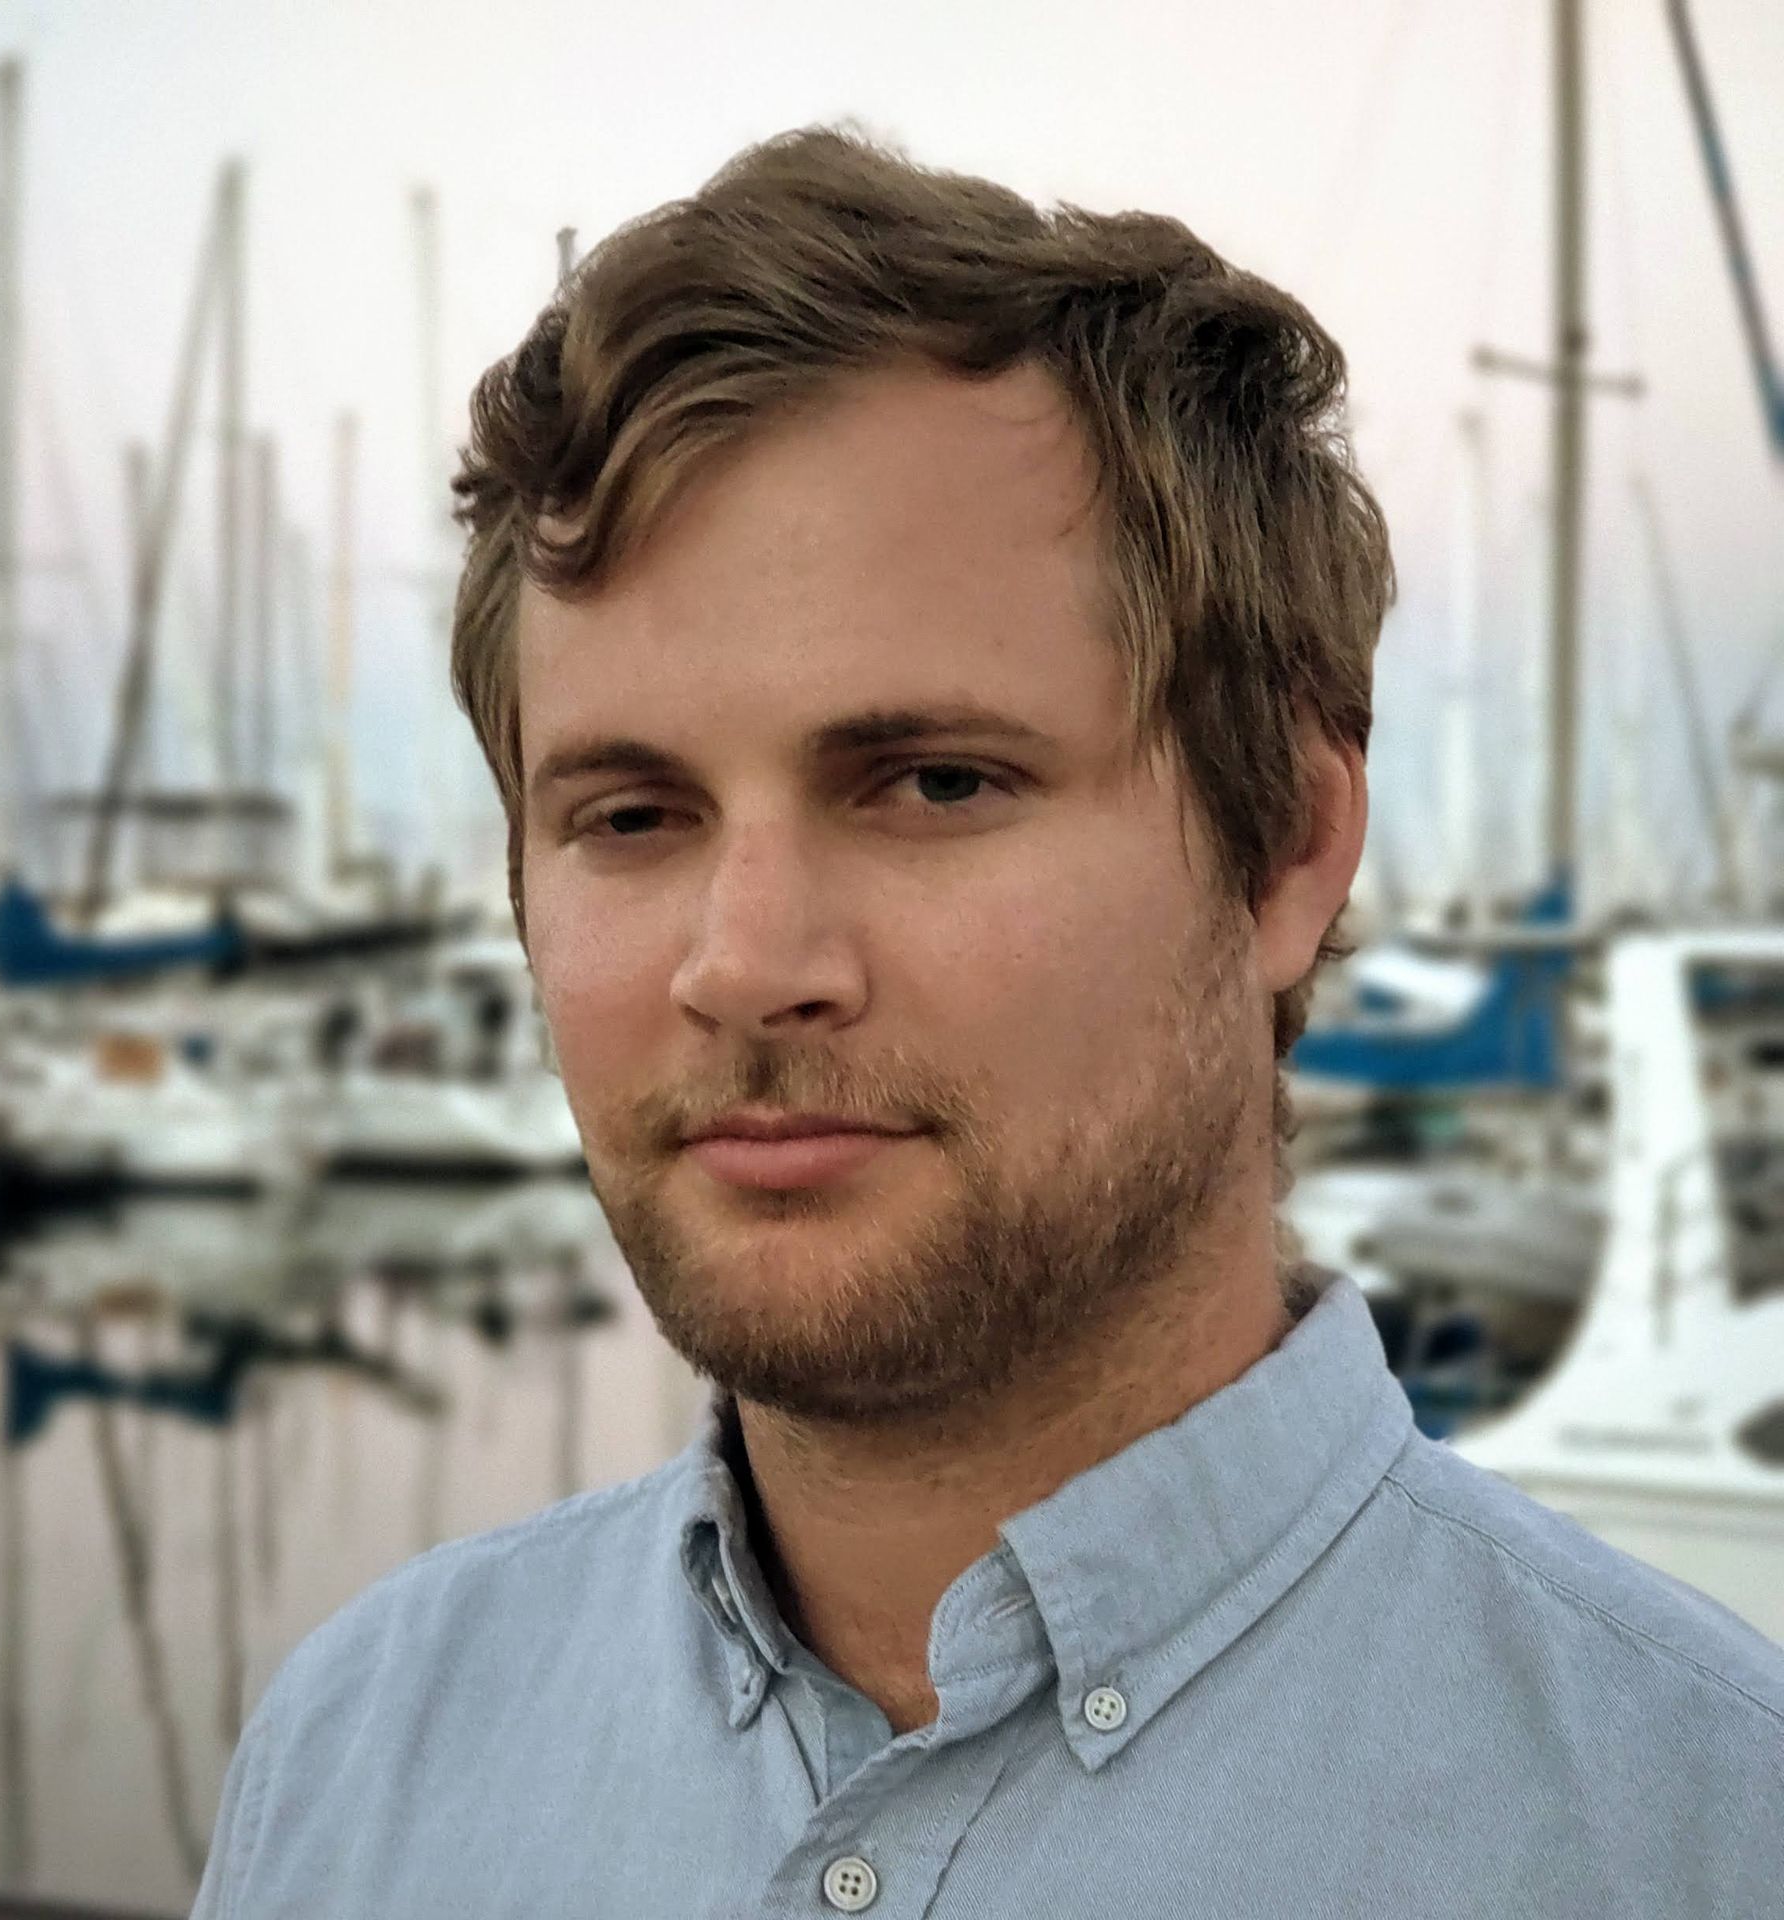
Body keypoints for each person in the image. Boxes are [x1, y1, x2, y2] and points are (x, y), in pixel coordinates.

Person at [190, 130, 1784, 1918]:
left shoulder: (1707, 1834)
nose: (746, 961)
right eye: (632, 815)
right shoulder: (357, 1759)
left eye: (934, 782)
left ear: (1284, 845)